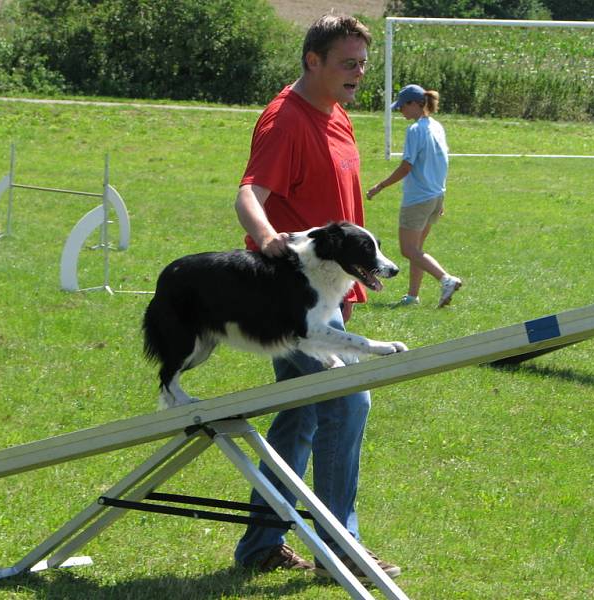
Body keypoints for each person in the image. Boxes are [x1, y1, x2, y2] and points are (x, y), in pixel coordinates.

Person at [232, 13, 401, 582]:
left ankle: (261, 544)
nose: (358, 74)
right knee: (348, 402)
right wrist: (265, 238)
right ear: (313, 61)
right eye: (347, 64)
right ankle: (340, 547)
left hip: (335, 295)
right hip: (292, 300)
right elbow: (248, 193)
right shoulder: (286, 120)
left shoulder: (338, 117)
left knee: (301, 415)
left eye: (361, 64)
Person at [366, 84, 463, 308]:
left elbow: (406, 167)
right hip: (435, 196)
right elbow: (443, 163)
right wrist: (442, 197)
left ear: (415, 104)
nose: (401, 111)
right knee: (416, 250)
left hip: (418, 198)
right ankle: (412, 297)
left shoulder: (415, 130)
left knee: (408, 249)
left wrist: (380, 186)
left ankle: (446, 279)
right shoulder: (436, 126)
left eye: (402, 106)